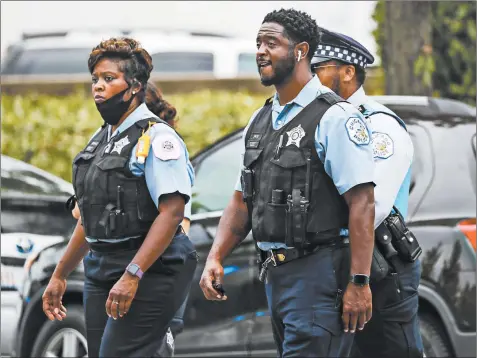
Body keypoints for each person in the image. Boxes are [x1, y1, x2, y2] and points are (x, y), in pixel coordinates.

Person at [199, 8, 376, 357]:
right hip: (275, 278)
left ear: (300, 51)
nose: (260, 51)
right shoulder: (260, 120)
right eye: (258, 43)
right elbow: (241, 201)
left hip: (319, 274)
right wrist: (215, 256)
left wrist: (359, 282)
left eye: (271, 43)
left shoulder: (334, 117)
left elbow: (363, 203)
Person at [43, 37, 197, 357]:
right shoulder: (99, 141)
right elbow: (90, 219)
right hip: (102, 267)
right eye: (95, 79)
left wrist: (133, 273)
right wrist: (60, 274)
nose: (98, 86)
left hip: (151, 268)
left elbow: (172, 213)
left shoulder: (157, 138)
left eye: (109, 79)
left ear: (135, 86)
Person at [311, 29, 424, 358]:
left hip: (381, 270)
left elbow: (370, 206)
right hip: (337, 267)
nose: (310, 78)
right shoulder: (320, 124)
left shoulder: (379, 128)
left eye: (319, 69)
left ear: (347, 72)